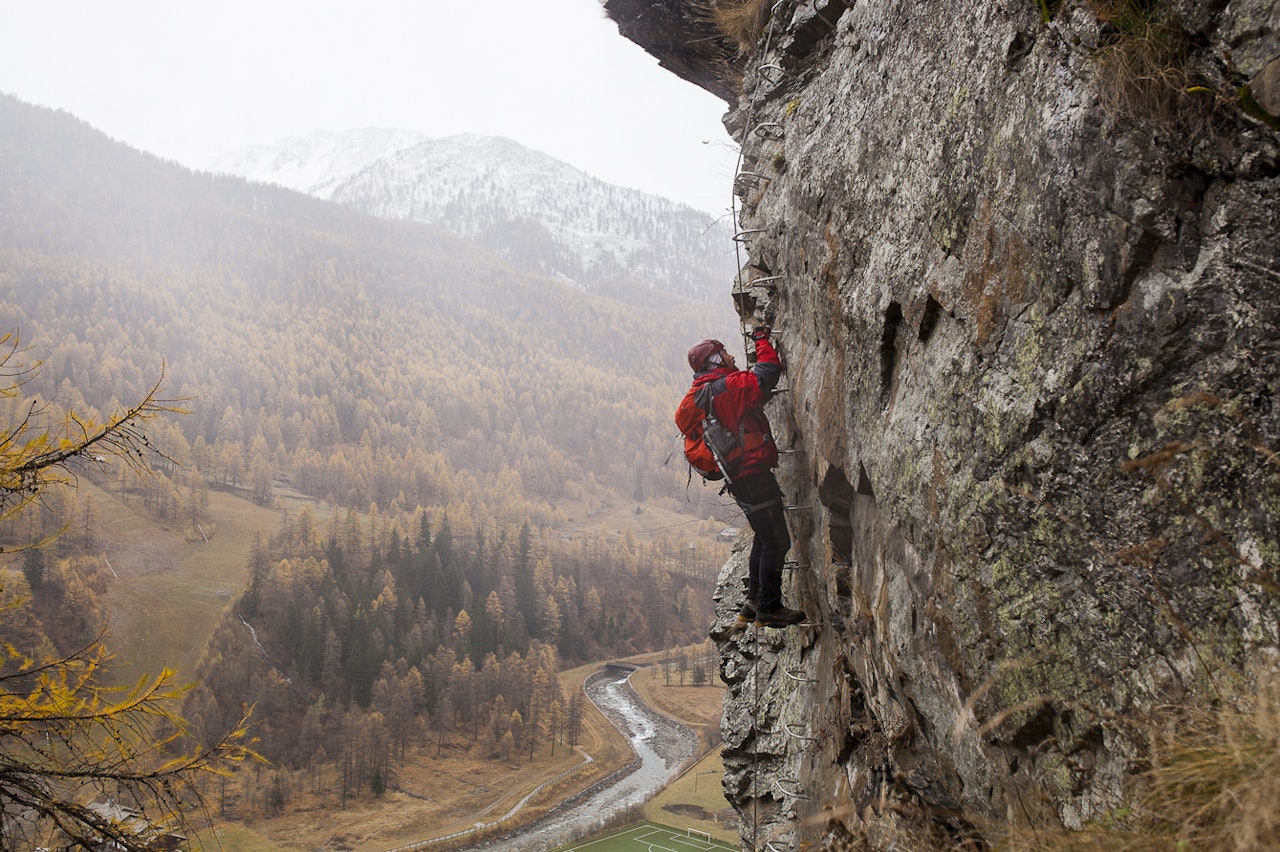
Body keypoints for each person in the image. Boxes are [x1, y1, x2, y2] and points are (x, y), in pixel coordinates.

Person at [684, 328, 807, 628]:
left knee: (764, 538)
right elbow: (766, 374)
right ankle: (769, 607)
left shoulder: (702, 393)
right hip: (752, 475)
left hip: (738, 478)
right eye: (725, 353)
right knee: (777, 541)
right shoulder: (729, 387)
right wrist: (762, 339)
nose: (731, 356)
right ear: (714, 360)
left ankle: (754, 601)